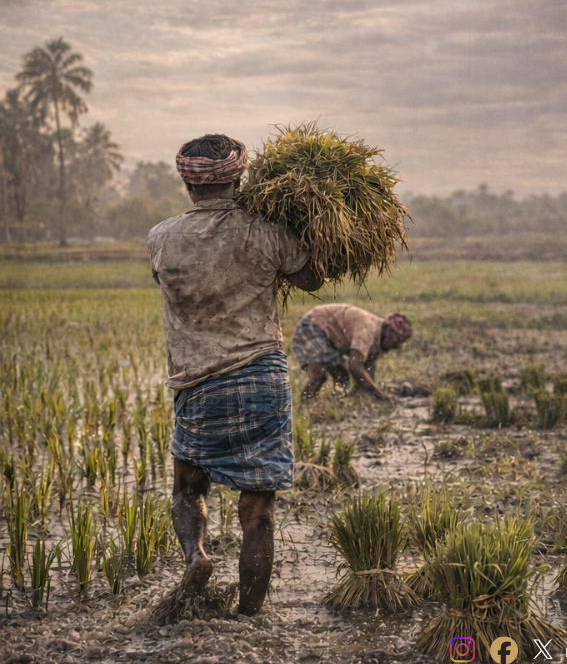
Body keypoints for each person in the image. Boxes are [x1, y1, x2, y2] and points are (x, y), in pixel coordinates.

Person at [148, 134, 322, 615]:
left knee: (187, 488)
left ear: (188, 183)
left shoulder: (160, 239)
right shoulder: (264, 232)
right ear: (239, 178)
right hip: (261, 378)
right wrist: (302, 224)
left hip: (196, 381)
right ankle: (248, 617)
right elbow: (312, 279)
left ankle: (196, 554)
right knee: (258, 512)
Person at [293, 304, 413, 401]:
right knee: (319, 375)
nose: (397, 344)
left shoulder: (376, 335)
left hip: (327, 334)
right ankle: (305, 406)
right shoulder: (367, 330)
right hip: (312, 325)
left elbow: (366, 369)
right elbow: (355, 367)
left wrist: (369, 390)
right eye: (398, 339)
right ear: (389, 330)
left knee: (342, 377)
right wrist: (381, 396)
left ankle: (333, 403)